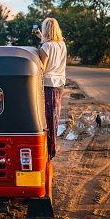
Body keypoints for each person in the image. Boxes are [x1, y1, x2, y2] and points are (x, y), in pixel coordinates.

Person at [33, 18, 67, 159]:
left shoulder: (46, 46)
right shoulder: (62, 44)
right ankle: (51, 148)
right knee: (55, 117)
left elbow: (43, 68)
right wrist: (40, 37)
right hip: (59, 84)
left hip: (49, 85)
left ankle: (50, 151)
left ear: (46, 29)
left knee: (48, 120)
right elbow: (51, 46)